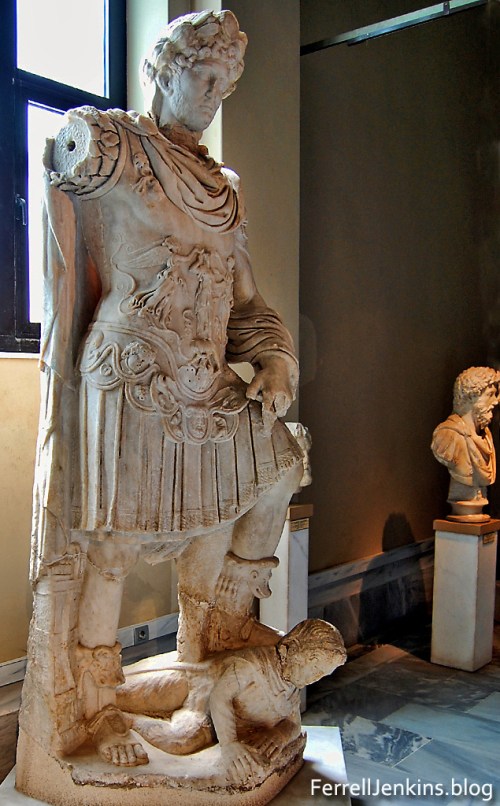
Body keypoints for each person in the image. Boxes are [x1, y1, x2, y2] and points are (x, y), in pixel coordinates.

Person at [29, 10, 303, 767]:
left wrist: (275, 359)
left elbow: (246, 307)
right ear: (162, 69)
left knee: (276, 465)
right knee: (109, 550)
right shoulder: (119, 146)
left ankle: (207, 644)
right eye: (201, 74)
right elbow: (61, 163)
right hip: (130, 374)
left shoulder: (225, 191)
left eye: (226, 84)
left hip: (204, 381)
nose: (213, 94)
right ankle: (95, 706)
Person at [117, 619, 347, 784]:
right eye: (315, 668)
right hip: (202, 702)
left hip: (230, 720)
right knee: (181, 740)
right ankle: (124, 719)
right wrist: (229, 745)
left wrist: (279, 734)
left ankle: (121, 718)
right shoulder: (252, 666)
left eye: (322, 675)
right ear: (290, 650)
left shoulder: (289, 685)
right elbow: (220, 697)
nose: (315, 678)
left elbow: (293, 723)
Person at [431, 366, 499, 519]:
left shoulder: (485, 436)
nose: (495, 401)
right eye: (490, 395)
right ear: (472, 396)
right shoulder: (447, 435)